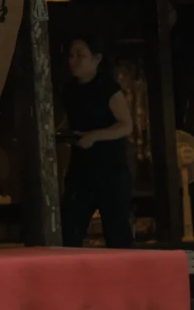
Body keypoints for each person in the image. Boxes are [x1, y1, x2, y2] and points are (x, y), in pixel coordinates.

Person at [60, 34, 135, 249]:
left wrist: (94, 136)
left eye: (81, 55)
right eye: (71, 55)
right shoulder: (69, 90)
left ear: (97, 58)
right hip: (81, 169)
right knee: (70, 229)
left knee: (117, 231)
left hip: (110, 169)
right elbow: (71, 119)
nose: (73, 60)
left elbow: (126, 125)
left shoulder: (108, 87)